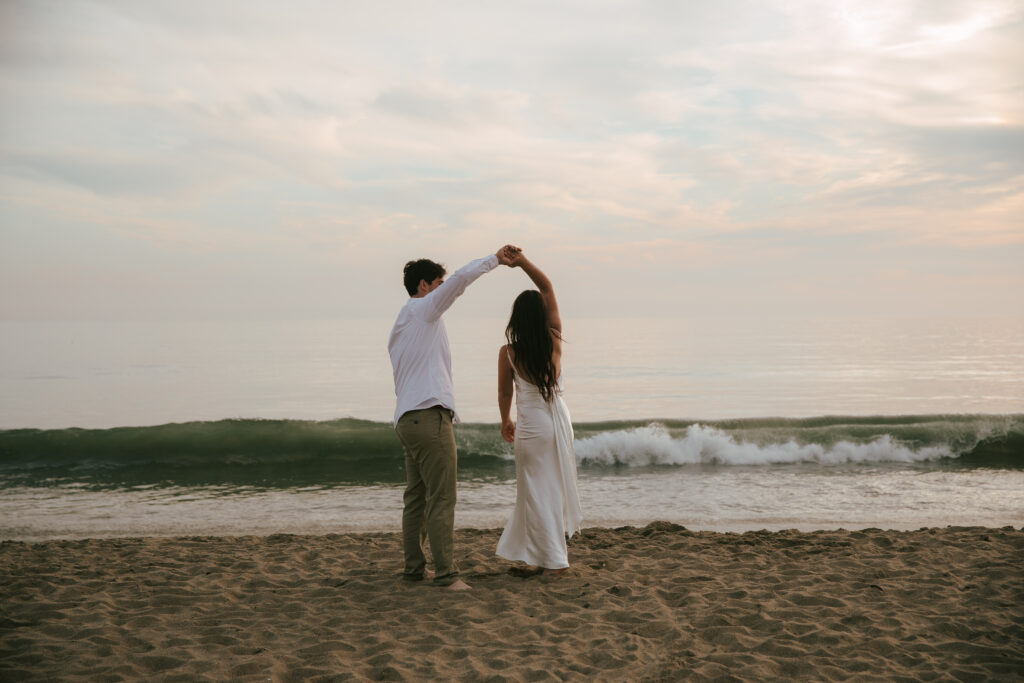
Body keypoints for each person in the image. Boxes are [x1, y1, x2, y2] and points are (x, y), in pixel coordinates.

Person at [388, 245, 520, 591]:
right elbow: (461, 280)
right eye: (438, 284)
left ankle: (414, 570)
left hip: (407, 420)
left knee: (416, 497)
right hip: (428, 417)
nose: (442, 289)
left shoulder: (402, 323)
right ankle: (446, 575)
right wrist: (495, 260)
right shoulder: (423, 309)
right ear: (423, 286)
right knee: (443, 496)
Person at [496, 252, 582, 575]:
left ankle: (554, 562)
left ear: (516, 319)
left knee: (535, 494)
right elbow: (547, 287)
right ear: (543, 314)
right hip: (558, 423)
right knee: (549, 492)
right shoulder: (554, 338)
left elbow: (506, 392)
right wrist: (523, 263)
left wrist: (505, 419)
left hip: (532, 428)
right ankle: (542, 558)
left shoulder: (509, 353)